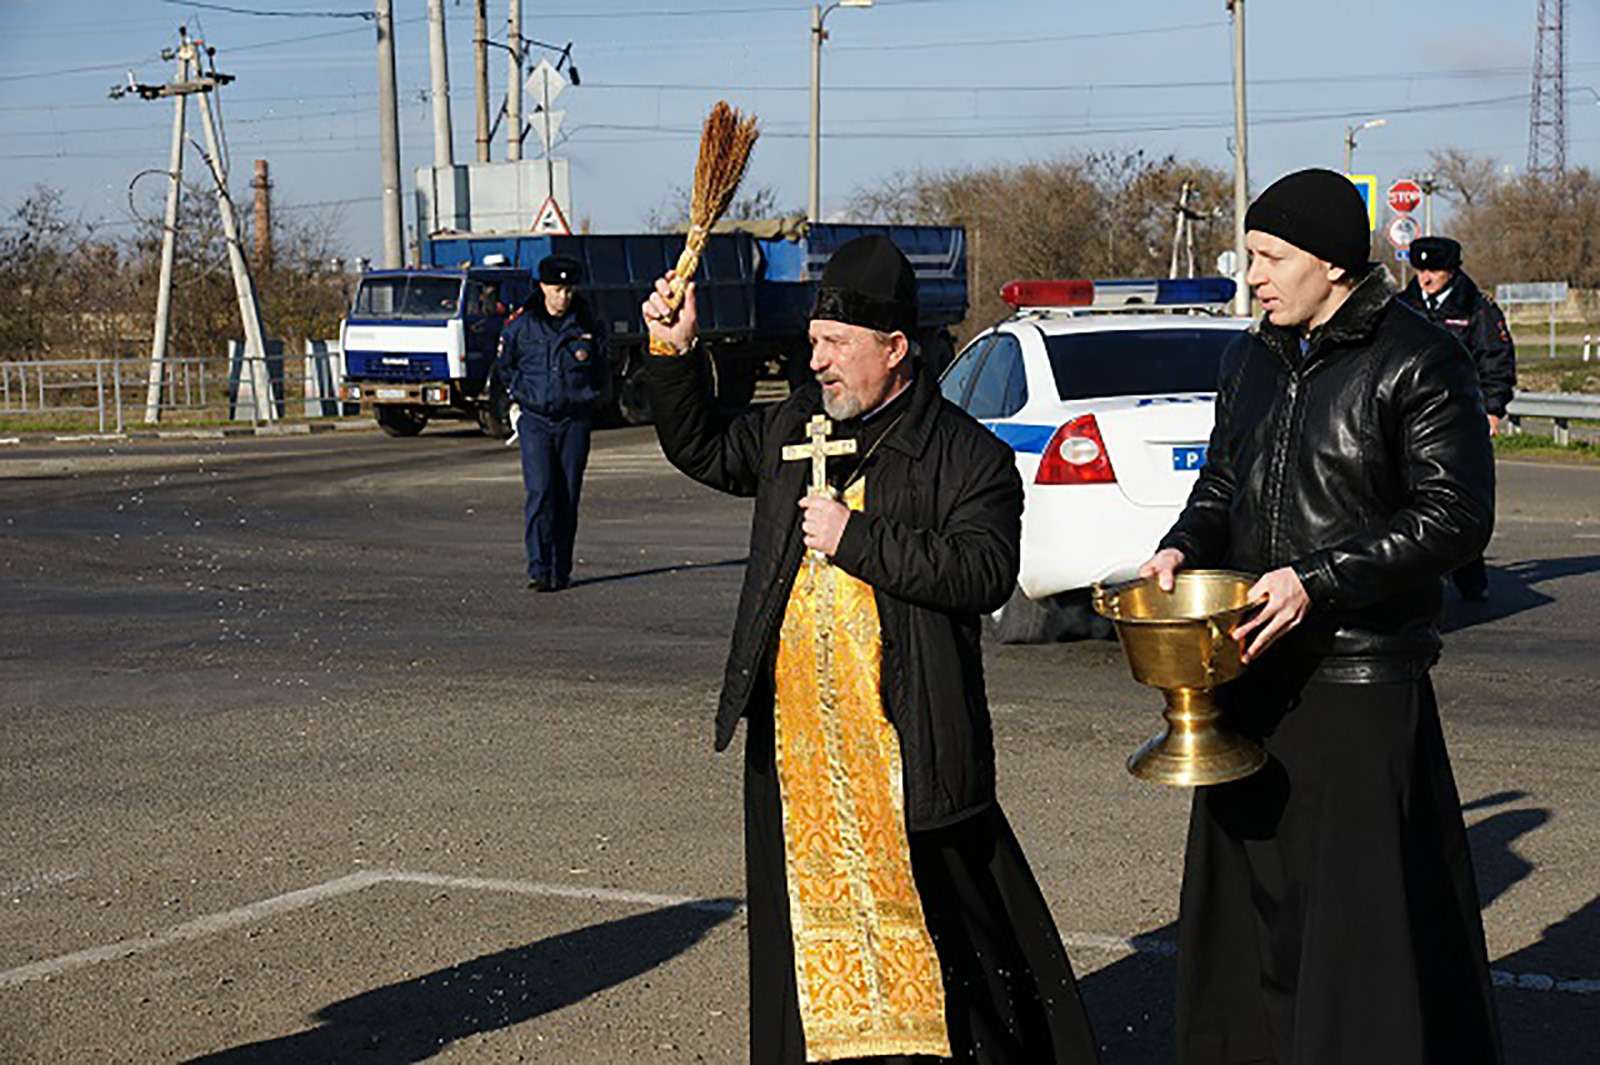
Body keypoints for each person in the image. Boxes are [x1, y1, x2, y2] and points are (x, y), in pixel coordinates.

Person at [642, 235, 1098, 1065]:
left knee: (948, 946)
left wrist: (859, 539)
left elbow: (985, 571)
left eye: (835, 346)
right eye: (813, 342)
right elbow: (705, 446)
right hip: (803, 755)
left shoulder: (969, 456)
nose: (816, 362)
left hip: (910, 744)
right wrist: (673, 353)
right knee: (807, 941)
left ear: (895, 350)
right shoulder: (794, 427)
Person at [1139, 168, 1502, 1065]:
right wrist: (1180, 546)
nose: (1252, 275)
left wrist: (1319, 580)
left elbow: (1456, 516)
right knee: (1252, 914)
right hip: (1249, 665)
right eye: (1252, 255)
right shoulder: (1249, 354)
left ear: (1333, 263)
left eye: (1270, 257)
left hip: (1360, 677)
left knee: (1359, 929)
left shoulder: (1418, 357)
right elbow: (1223, 482)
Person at [1397, 235, 1516, 601]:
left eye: (1433, 270)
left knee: (1457, 496)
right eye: (1420, 270)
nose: (1425, 278)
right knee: (1406, 496)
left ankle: (1469, 576)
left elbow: (1495, 359)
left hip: (1460, 417)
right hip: (1410, 416)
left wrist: (1493, 408)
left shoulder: (1477, 309)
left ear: (1451, 271)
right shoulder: (1403, 306)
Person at [495, 254, 608, 591]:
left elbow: (603, 366)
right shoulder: (522, 325)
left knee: (567, 495)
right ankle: (538, 567)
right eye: (557, 289)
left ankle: (561, 569)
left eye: (568, 289)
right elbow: (505, 366)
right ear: (543, 287)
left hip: (574, 420)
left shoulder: (587, 323)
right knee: (541, 491)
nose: (563, 296)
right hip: (536, 420)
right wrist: (521, 393)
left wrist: (589, 396)